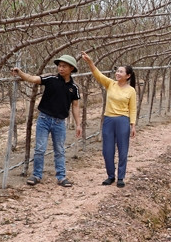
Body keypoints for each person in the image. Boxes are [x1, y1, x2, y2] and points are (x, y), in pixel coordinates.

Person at [11, 54, 82, 188]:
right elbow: (32, 79)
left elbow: (76, 106)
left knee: (60, 150)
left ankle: (61, 177)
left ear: (71, 68)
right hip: (44, 119)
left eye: (64, 66)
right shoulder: (51, 79)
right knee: (40, 148)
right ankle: (37, 175)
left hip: (60, 122)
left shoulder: (74, 88)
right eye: (59, 66)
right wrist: (20, 73)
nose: (60, 68)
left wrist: (78, 124)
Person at [79, 52, 137, 188]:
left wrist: (133, 125)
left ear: (128, 76)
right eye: (117, 71)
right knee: (107, 150)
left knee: (123, 150)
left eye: (121, 72)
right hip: (109, 120)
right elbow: (97, 74)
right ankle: (111, 175)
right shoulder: (110, 84)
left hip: (123, 121)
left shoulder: (131, 91)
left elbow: (133, 109)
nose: (117, 73)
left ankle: (121, 177)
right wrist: (90, 62)